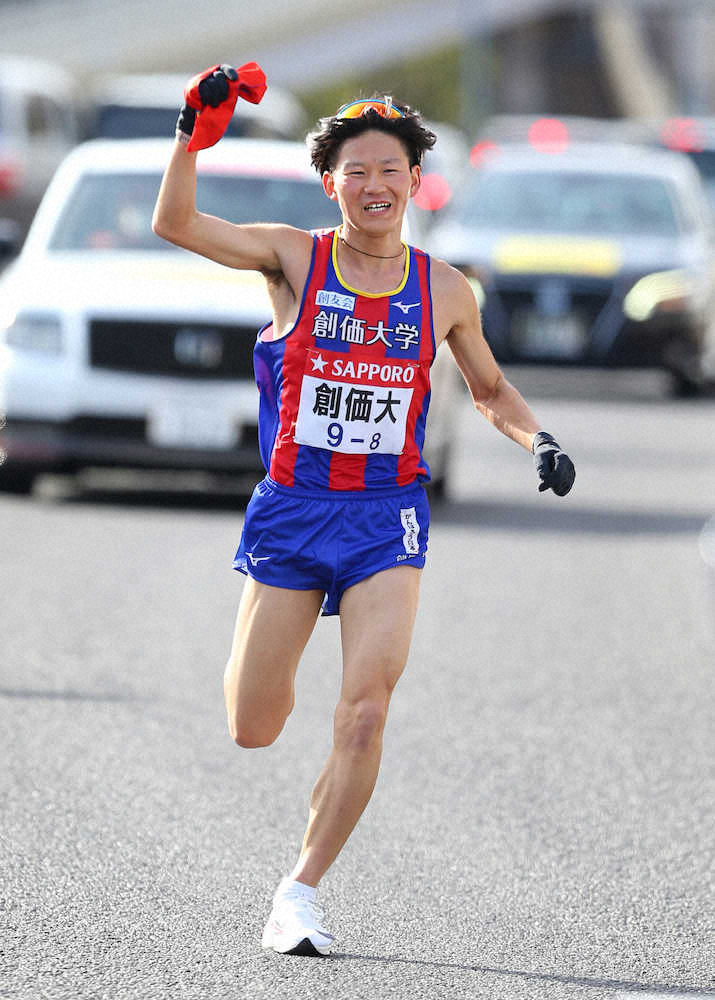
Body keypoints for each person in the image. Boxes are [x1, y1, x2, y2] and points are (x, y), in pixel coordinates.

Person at [153, 64, 575, 958]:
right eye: (357, 172)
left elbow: (491, 391)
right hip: (294, 511)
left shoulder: (447, 290)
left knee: (365, 711)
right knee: (253, 725)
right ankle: (275, 767)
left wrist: (536, 441)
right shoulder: (293, 258)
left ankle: (300, 891)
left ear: (414, 182)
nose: (375, 186)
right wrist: (189, 138)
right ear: (329, 184)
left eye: (390, 170)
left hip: (388, 517)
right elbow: (177, 224)